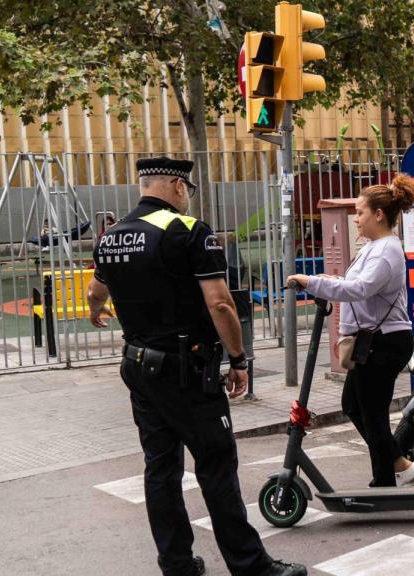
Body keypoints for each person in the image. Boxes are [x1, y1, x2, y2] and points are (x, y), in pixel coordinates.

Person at [86, 157, 304, 576]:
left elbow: (97, 289)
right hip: (185, 371)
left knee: (161, 467)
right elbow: (221, 303)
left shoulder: (111, 236)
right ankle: (250, 566)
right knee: (217, 465)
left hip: (138, 367)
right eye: (187, 189)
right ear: (176, 186)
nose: (187, 197)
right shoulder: (187, 231)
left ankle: (177, 563)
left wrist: (97, 312)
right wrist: (238, 360)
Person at [288, 174, 414, 488]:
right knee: (353, 405)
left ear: (378, 215)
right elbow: (353, 284)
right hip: (372, 341)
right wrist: (323, 281)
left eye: (360, 212)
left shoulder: (388, 249)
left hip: (386, 341)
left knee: (372, 412)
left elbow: (360, 288)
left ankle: (386, 480)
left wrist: (312, 282)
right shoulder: (374, 247)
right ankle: (399, 462)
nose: (356, 219)